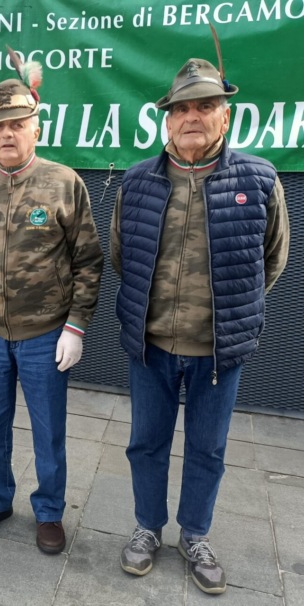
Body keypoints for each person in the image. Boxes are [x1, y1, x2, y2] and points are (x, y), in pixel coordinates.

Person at [112, 58, 289, 594]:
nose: (192, 117)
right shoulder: (137, 181)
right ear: (167, 120)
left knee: (208, 449)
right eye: (181, 108)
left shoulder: (259, 180)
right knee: (146, 444)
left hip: (218, 350)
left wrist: (233, 312)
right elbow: (122, 256)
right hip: (151, 347)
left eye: (206, 106)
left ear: (225, 116)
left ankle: (195, 535)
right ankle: (148, 527)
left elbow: (271, 259)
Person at [0, 62, 103, 554]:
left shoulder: (63, 183)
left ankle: (49, 510)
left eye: (17, 124)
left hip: (45, 333)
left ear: (36, 128)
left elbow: (88, 260)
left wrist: (76, 326)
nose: (8, 133)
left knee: (48, 429)